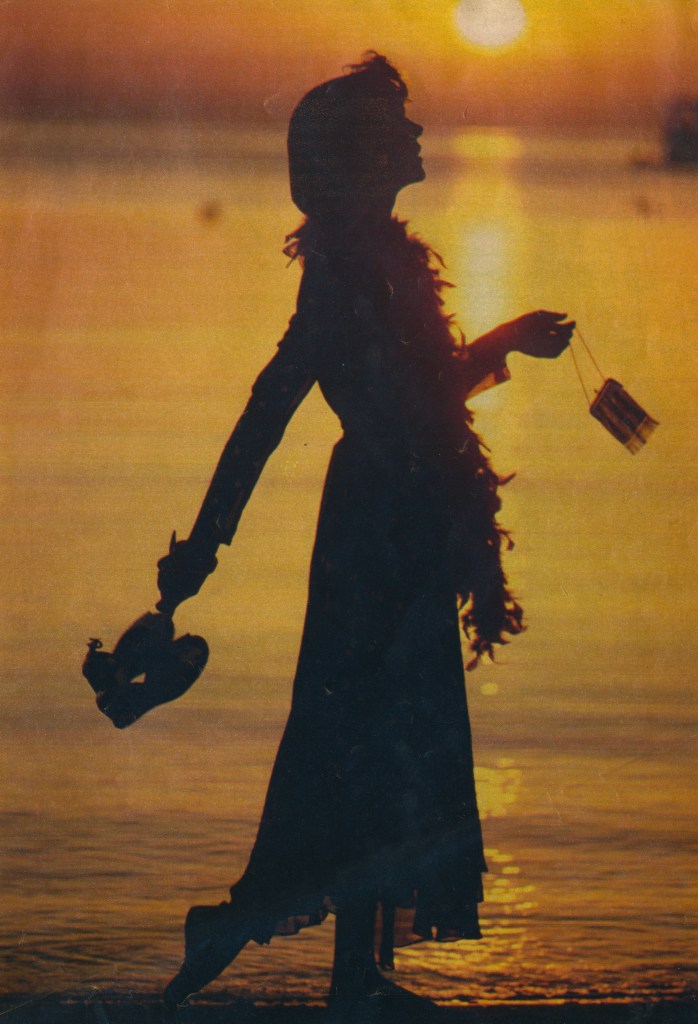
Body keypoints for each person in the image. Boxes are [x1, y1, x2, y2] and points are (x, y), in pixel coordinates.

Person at [158, 54, 574, 1019]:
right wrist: (205, 546)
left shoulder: (380, 259)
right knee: (359, 739)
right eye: (399, 123)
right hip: (377, 531)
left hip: (400, 517)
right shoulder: (345, 273)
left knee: (380, 743)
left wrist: (503, 345)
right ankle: (246, 931)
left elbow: (420, 400)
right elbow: (276, 409)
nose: (418, 135)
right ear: (364, 153)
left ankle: (348, 976)